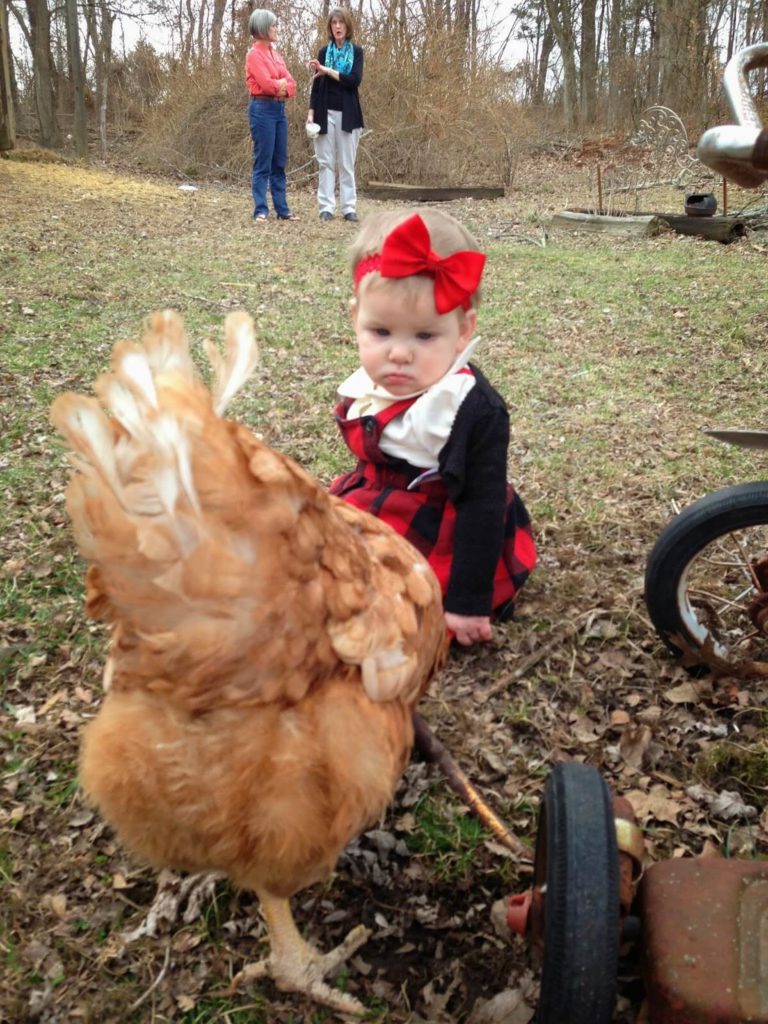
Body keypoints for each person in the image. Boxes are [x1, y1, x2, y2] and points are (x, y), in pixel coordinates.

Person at [330, 209, 537, 646]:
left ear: (463, 331)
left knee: (404, 609)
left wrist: (467, 601)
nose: (399, 354)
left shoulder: (467, 408)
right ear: (355, 318)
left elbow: (481, 506)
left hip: (444, 525)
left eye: (425, 336)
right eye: (381, 331)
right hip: (376, 503)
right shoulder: (373, 383)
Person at [307, 7, 364, 223]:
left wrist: (328, 70)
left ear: (347, 26)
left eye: (341, 22)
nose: (337, 26)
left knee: (346, 164)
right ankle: (326, 208)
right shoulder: (323, 53)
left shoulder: (357, 52)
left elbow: (353, 80)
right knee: (325, 162)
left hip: (349, 115)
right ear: (330, 28)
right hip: (324, 113)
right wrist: (311, 114)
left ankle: (349, 207)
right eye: (334, 23)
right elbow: (316, 86)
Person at [245, 9, 297, 222]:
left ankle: (282, 210)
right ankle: (261, 209)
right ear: (262, 27)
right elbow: (266, 85)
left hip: (279, 110)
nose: (276, 29)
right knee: (263, 161)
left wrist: (282, 86)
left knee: (279, 161)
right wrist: (279, 84)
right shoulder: (253, 54)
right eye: (273, 25)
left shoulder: (276, 54)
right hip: (261, 110)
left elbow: (292, 84)